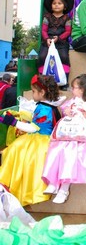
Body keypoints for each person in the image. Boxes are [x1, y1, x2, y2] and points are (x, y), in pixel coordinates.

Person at [42, 74, 86, 204]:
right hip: (69, 131)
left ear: (83, 89)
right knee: (57, 148)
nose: (72, 90)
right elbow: (63, 108)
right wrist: (66, 110)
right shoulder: (72, 101)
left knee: (71, 151)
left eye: (74, 87)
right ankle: (54, 182)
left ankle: (64, 189)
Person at [0, 74, 63, 206]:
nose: (32, 94)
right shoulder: (48, 105)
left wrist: (12, 122)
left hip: (40, 141)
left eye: (34, 91)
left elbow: (33, 128)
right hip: (42, 138)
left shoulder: (44, 108)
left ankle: (14, 189)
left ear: (42, 92)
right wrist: (21, 115)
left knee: (16, 152)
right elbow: (36, 118)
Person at [37, 0, 74, 90]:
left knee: (64, 57)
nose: (56, 5)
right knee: (42, 57)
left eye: (59, 3)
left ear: (64, 6)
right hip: (47, 42)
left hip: (61, 42)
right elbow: (44, 30)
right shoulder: (47, 17)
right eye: (54, 3)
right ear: (51, 6)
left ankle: (64, 82)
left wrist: (59, 38)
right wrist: (46, 39)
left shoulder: (67, 18)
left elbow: (68, 31)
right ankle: (41, 80)